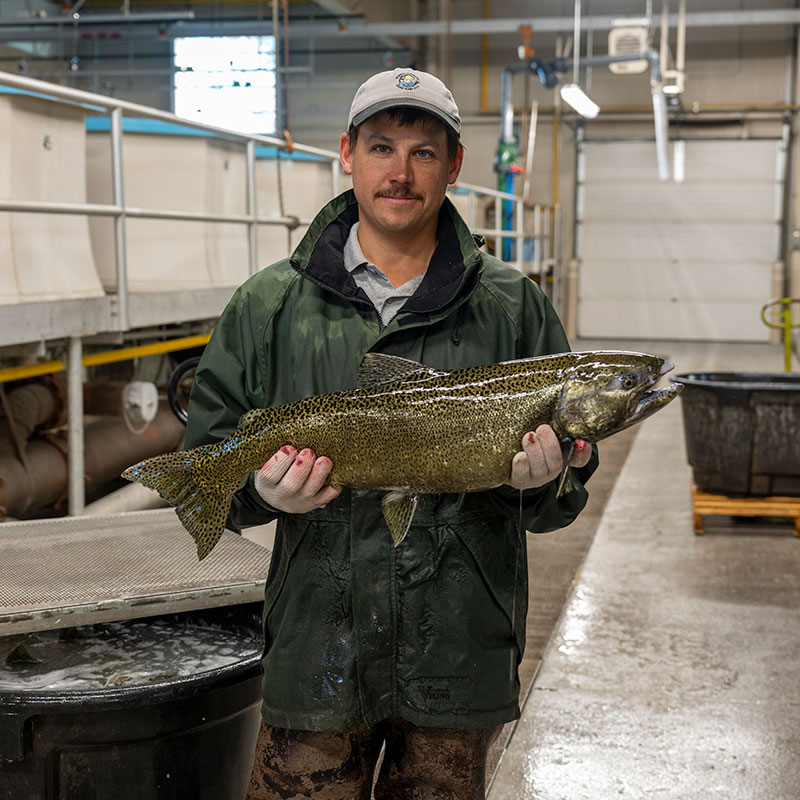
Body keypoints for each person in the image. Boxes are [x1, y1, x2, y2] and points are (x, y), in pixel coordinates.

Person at [185, 68, 598, 800]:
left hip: (460, 655)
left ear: (454, 165)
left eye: (424, 152)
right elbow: (208, 461)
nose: (400, 173)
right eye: (381, 147)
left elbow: (559, 505)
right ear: (346, 153)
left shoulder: (513, 308)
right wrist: (257, 488)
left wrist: (551, 480)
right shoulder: (268, 306)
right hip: (316, 652)